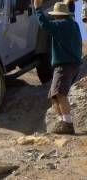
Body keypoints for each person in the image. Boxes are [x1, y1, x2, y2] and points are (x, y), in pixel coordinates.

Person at [34, 0, 83, 134]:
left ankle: (67, 123)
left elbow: (44, 23)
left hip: (64, 65)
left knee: (60, 94)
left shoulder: (59, 25)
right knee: (55, 95)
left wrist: (37, 8)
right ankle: (63, 122)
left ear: (58, 15)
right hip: (72, 65)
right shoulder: (74, 25)